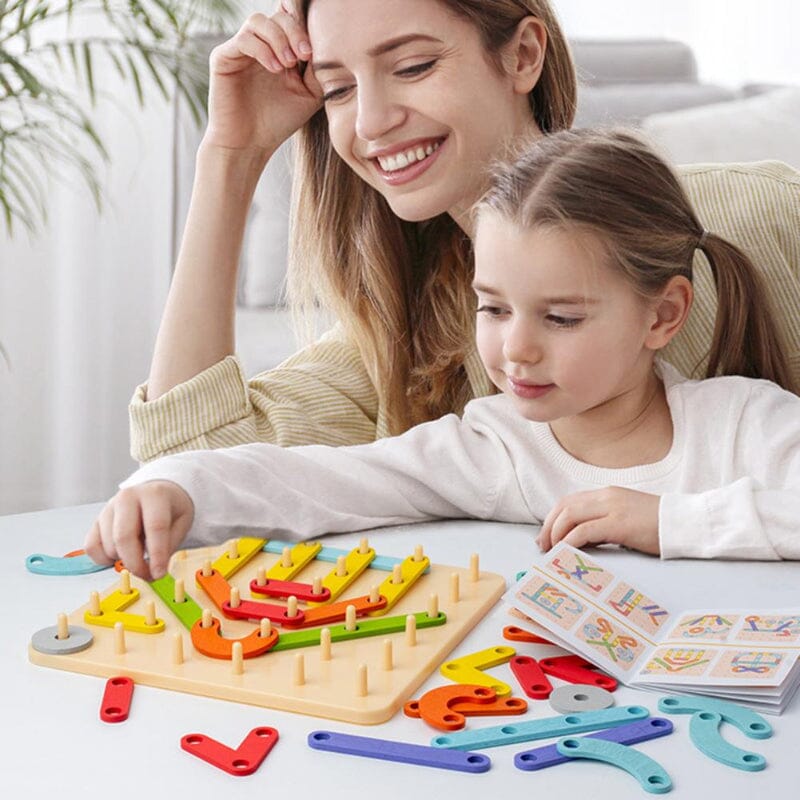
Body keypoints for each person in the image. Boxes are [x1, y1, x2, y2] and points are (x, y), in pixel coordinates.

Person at [87, 129, 800, 581]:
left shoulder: (742, 423)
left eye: (560, 316)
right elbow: (323, 481)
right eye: (492, 307)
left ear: (663, 314)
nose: (515, 348)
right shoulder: (495, 448)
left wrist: (666, 522)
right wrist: (178, 485)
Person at [129, 0, 800, 464]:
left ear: (522, 56)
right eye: (337, 89)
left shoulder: (750, 215)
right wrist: (230, 156)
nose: (369, 122)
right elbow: (190, 461)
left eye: (413, 67)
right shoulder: (403, 340)